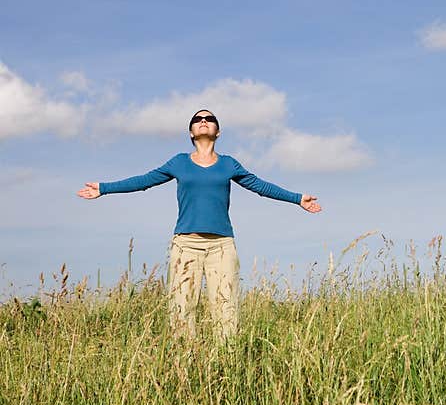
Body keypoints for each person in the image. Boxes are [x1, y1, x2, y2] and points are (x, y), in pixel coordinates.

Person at [76, 109, 322, 340]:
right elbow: (144, 181)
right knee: (181, 312)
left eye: (210, 118)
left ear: (218, 131)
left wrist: (298, 199)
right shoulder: (179, 162)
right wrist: (104, 188)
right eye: (197, 119)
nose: (203, 120)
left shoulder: (229, 164)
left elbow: (261, 186)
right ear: (191, 133)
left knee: (226, 311)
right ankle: (185, 369)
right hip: (185, 245)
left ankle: (226, 367)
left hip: (222, 246)